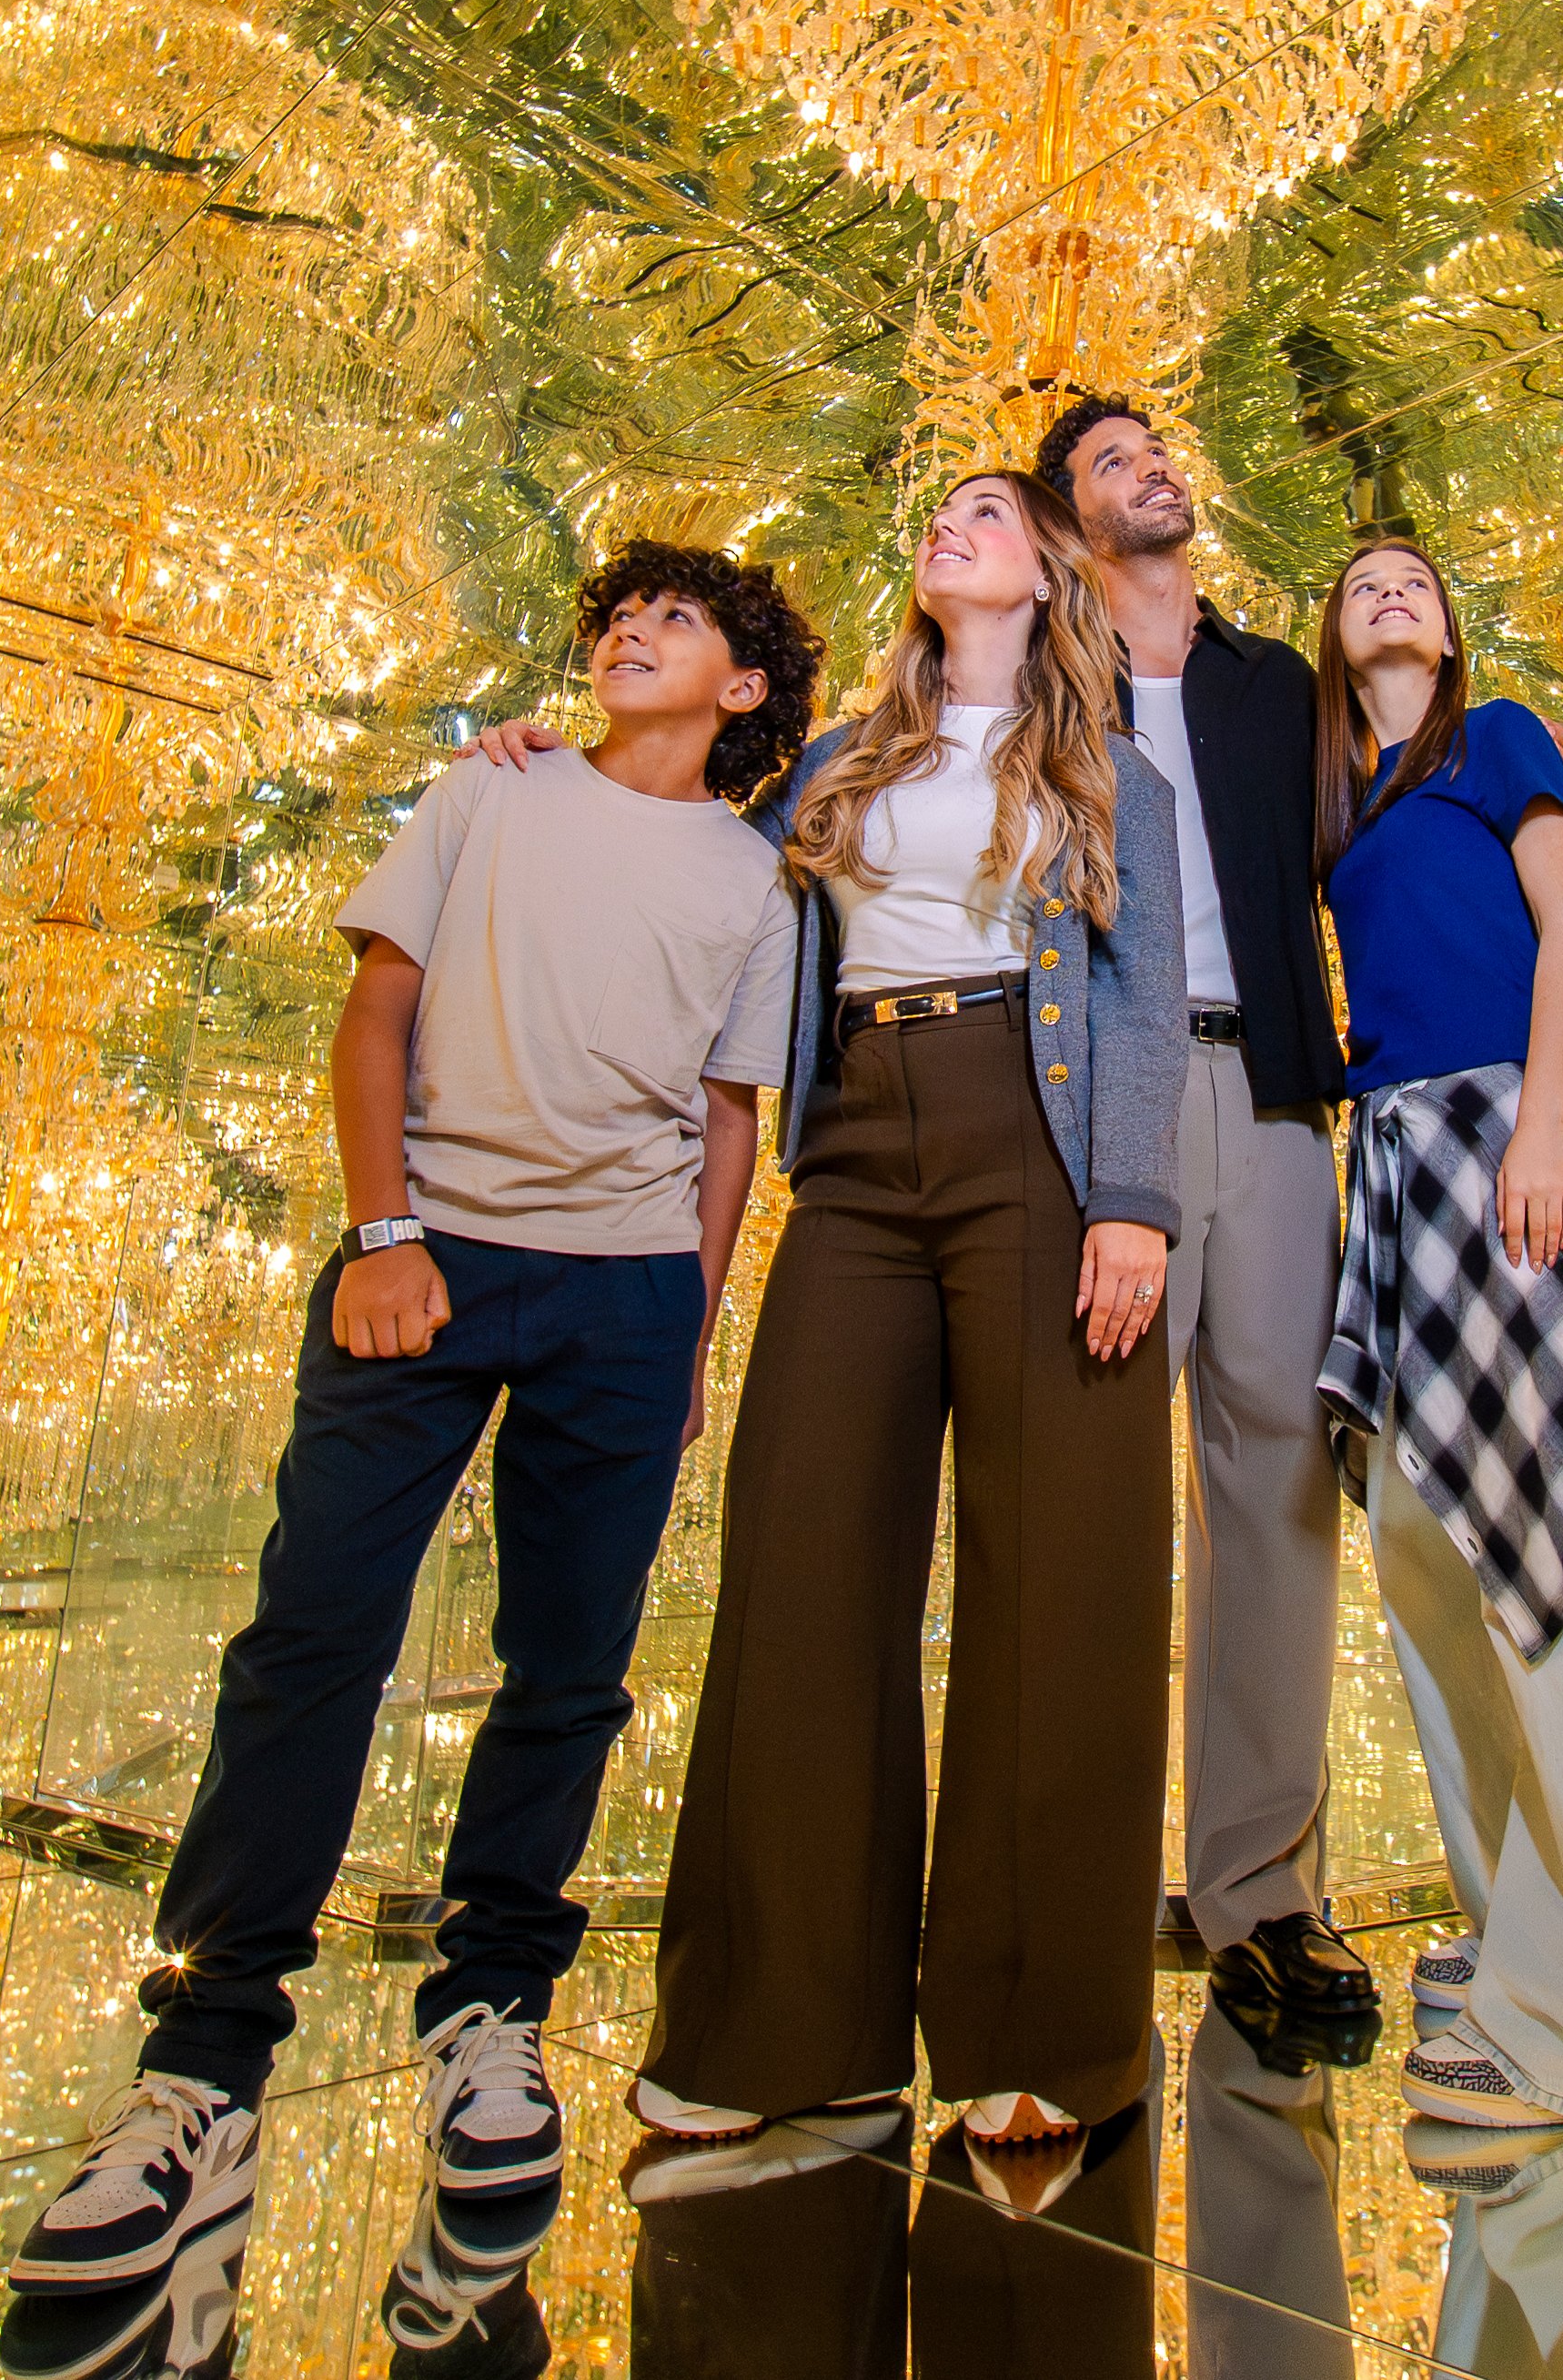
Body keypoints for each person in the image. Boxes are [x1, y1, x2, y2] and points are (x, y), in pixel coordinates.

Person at [0, 544, 821, 2367]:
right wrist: (383, 1235)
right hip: (422, 1263)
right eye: (620, 611)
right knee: (312, 1638)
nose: (632, 631)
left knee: (568, 1667)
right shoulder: (488, 786)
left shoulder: (761, 882)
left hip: (619, 1296)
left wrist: (686, 1330)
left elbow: (724, 1120)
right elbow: (374, 1007)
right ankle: (203, 2054)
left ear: (743, 690)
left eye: (679, 622)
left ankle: (491, 2006)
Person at [629, 467, 1187, 2169]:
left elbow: (1145, 983)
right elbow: (700, 868)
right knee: (802, 1552)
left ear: (1045, 570)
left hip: (1045, 1130)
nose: (949, 527)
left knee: (1060, 1582)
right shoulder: (834, 760)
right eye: (938, 516)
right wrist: (534, 752)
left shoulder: (1114, 770)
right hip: (859, 1146)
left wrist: (1137, 1200)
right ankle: (786, 2027)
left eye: (985, 515)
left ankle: (1043, 2034)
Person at [1309, 540, 1563, 2129]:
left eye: (1416, 577)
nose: (1391, 590)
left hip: (1509, 1141)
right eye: (1361, 582)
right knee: (1426, 1543)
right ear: (1332, 635)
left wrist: (1545, 1126)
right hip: (1393, 1163)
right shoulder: (1338, 796)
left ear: (1452, 623)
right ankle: (1519, 1933)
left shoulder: (1501, 734)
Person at [1039, 391, 1383, 2055]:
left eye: (1157, 447)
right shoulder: (1029, 681)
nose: (1151, 466)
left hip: (1274, 1106)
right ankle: (1068, 1888)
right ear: (1066, 521)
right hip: (1110, 1097)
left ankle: (1259, 1894)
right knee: (1095, 1491)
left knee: (1278, 1495)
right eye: (1111, 462)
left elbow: (1383, 834)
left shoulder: (1273, 689)